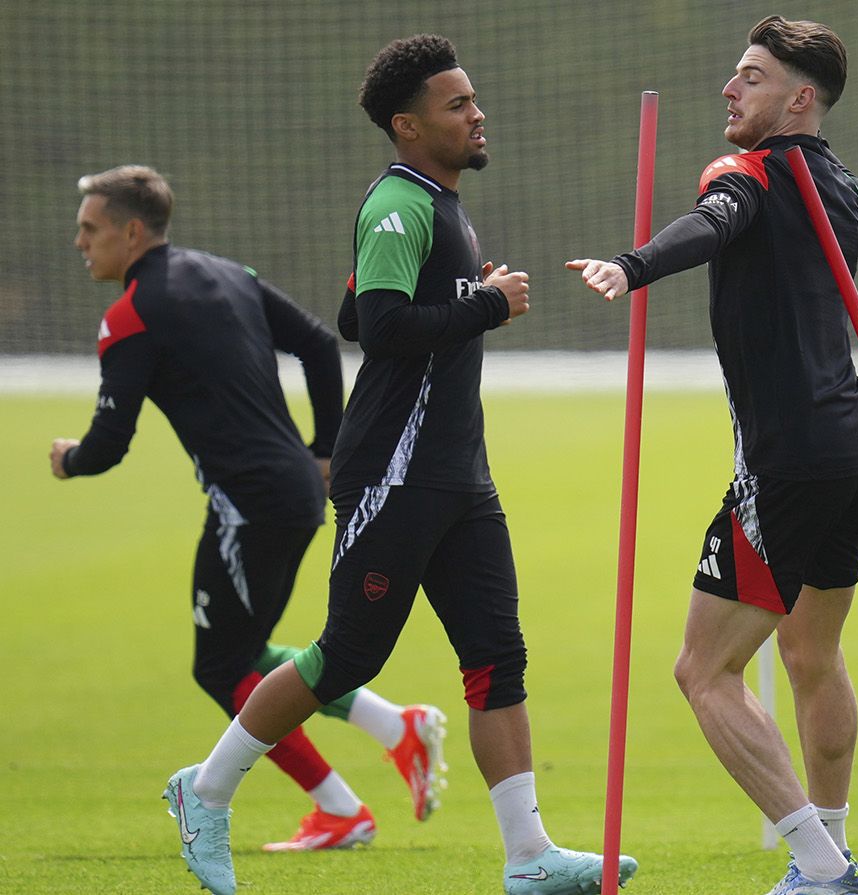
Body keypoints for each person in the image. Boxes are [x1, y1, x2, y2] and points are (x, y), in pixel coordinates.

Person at [161, 35, 634, 895]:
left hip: (458, 470)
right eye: (457, 105)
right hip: (396, 469)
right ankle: (205, 789)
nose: (476, 112)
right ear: (409, 127)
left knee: (498, 656)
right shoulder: (398, 204)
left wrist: (462, 296)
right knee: (346, 656)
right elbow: (378, 328)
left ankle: (529, 857)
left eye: (473, 98)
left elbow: (350, 312)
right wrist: (487, 303)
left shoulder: (440, 204)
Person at [568, 16, 858, 895]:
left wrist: (631, 266)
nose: (729, 88)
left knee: (703, 669)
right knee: (810, 654)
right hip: (855, 444)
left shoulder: (746, 173)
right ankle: (829, 843)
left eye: (749, 76)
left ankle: (822, 866)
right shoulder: (832, 179)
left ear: (798, 98)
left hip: (785, 461)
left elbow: (712, 222)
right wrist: (833, 188)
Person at [52, 164, 444, 854]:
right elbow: (322, 343)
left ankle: (339, 808)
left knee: (222, 666)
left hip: (251, 506)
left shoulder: (131, 315)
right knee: (248, 647)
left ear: (131, 230)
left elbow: (110, 444)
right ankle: (395, 727)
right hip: (288, 490)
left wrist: (69, 457)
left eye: (90, 228)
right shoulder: (229, 273)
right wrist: (324, 449)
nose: (79, 242)